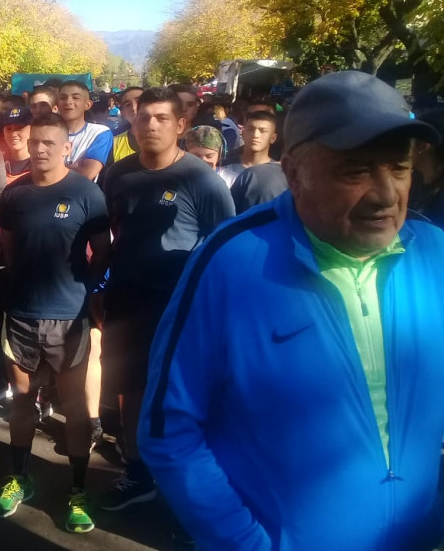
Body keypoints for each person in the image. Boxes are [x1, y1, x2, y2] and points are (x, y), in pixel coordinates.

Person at [140, 70, 444, 551]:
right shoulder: (233, 260)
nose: (387, 194)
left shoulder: (434, 254)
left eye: (399, 168)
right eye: (357, 170)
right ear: (296, 174)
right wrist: (245, 543)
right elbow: (167, 428)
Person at [99, 87, 235, 512]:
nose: (151, 125)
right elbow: (106, 233)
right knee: (131, 389)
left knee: (182, 394)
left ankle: (190, 490)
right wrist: (98, 289)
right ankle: (138, 474)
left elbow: (225, 246)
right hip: (126, 300)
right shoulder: (118, 174)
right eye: (143, 118)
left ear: (180, 125)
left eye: (161, 118)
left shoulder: (202, 179)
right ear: (133, 124)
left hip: (180, 308)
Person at [0, 113, 110, 534]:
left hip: (70, 319)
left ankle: (78, 490)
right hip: (20, 315)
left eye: (48, 143)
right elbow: (8, 249)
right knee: (22, 403)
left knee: (75, 409)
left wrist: (84, 297)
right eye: (33, 141)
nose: (39, 149)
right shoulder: (14, 195)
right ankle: (20, 478)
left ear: (66, 149)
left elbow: (102, 252)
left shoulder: (86, 192)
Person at [57, 81, 112, 182]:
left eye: (76, 97)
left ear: (88, 105)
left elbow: (88, 173)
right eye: (63, 98)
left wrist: (53, 167)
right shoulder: (47, 134)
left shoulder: (99, 132)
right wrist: (76, 166)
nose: (68, 102)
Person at [218, 110, 279, 186]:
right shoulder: (223, 167)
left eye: (263, 131)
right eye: (250, 129)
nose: (255, 135)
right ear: (243, 133)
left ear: (273, 138)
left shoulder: (280, 174)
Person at [2, 106, 33, 186]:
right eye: (9, 129)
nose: (13, 134)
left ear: (32, 130)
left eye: (19, 128)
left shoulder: (40, 163)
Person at [111, 87, 143, 162]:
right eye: (128, 104)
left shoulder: (171, 138)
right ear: (122, 113)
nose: (134, 108)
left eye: (139, 102)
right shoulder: (113, 143)